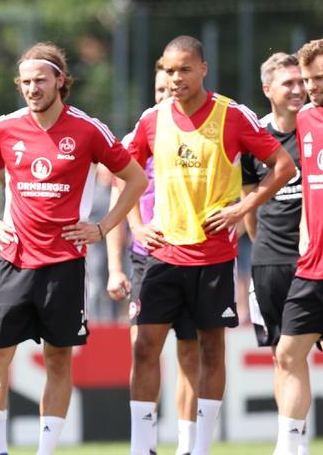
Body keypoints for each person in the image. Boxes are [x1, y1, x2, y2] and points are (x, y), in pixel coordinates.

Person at [126, 35, 295, 455]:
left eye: (184, 69)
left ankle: (197, 448)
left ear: (203, 69)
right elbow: (123, 172)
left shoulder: (232, 115)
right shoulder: (152, 118)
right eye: (168, 70)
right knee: (145, 345)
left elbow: (283, 166)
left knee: (209, 351)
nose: (176, 77)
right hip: (162, 255)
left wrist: (243, 208)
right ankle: (141, 446)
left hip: (213, 256)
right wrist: (136, 225)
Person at [0, 42, 147, 455]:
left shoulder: (88, 129)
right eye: (25, 82)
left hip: (65, 264)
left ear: (61, 81)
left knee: (57, 359)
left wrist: (104, 226)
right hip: (13, 261)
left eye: (40, 80)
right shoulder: (5, 127)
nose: (32, 89)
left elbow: (136, 179)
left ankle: (46, 450)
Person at [106, 58, 200, 454]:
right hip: (148, 258)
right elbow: (118, 197)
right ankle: (143, 444)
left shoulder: (196, 135)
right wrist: (114, 267)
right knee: (143, 347)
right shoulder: (140, 135)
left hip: (194, 253)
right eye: (160, 90)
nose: (167, 95)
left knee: (190, 351)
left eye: (172, 88)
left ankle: (187, 444)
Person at [241, 52, 307, 453]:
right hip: (271, 263)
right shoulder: (254, 138)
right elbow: (249, 203)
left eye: (302, 82)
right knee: (283, 357)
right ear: (268, 90)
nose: (298, 89)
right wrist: (262, 246)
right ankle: (293, 446)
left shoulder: (317, 128)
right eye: (289, 83)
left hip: (315, 261)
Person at [274, 38, 323, 455]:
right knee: (288, 353)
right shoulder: (306, 117)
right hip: (312, 265)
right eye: (308, 79)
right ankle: (292, 448)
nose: (312, 87)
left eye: (320, 78)